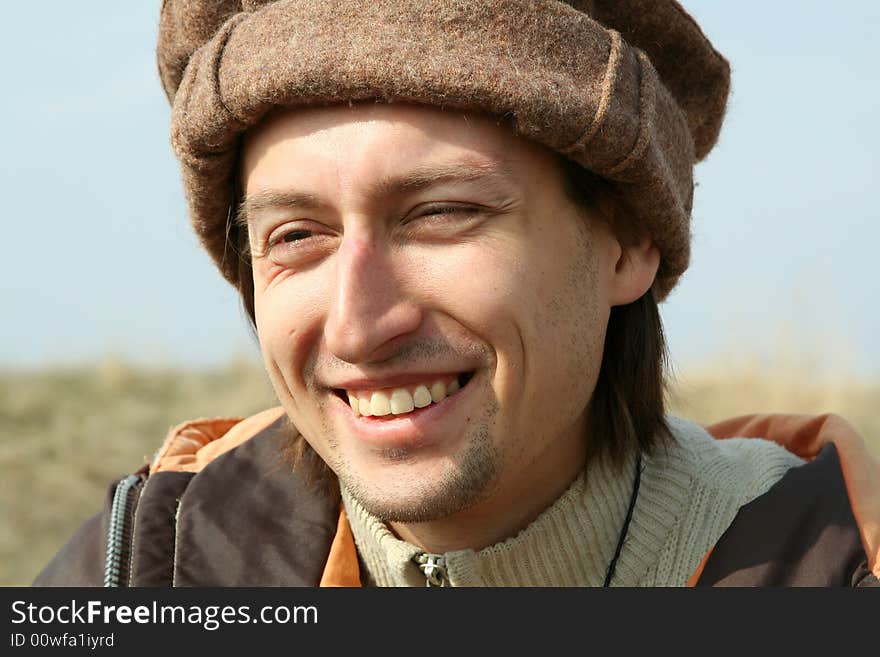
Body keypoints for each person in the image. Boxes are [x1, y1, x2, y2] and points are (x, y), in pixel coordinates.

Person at [35, 0, 878, 587]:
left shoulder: (825, 571)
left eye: (441, 215)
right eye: (297, 235)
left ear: (629, 240)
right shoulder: (159, 561)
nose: (359, 326)